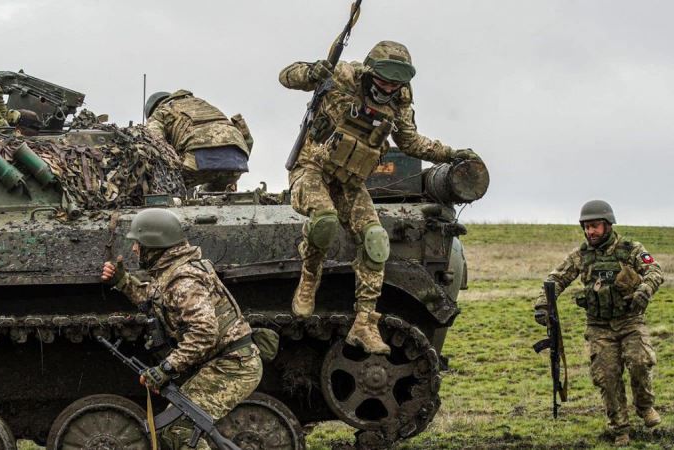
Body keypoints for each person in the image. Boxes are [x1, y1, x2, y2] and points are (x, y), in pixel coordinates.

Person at [279, 40, 481, 354]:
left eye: (396, 82)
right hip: (311, 170)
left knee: (375, 240)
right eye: (383, 79)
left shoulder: (399, 101)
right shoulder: (344, 75)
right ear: (371, 72)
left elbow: (411, 142)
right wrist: (310, 72)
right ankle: (309, 279)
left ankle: (364, 323)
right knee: (324, 220)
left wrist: (450, 153)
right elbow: (286, 76)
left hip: (350, 182)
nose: (387, 87)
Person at [101, 208, 262, 450]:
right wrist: (123, 282)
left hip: (233, 366)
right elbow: (155, 298)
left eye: (138, 243)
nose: (134, 249)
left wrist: (166, 368)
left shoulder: (184, 280)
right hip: (224, 362)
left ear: (154, 245)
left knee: (176, 428)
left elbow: (204, 334)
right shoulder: (173, 271)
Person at [534, 200, 663, 446]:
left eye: (595, 226)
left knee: (639, 362)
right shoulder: (581, 255)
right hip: (599, 326)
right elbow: (555, 279)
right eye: (586, 227)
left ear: (607, 225)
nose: (590, 232)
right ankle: (620, 428)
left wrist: (645, 288)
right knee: (606, 375)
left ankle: (645, 407)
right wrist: (543, 303)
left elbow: (654, 270)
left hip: (630, 321)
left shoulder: (630, 249)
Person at [144, 90, 253, 192]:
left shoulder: (161, 111)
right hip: (237, 160)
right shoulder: (202, 104)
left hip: (199, 157)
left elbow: (152, 140)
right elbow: (247, 140)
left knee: (168, 185)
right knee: (211, 193)